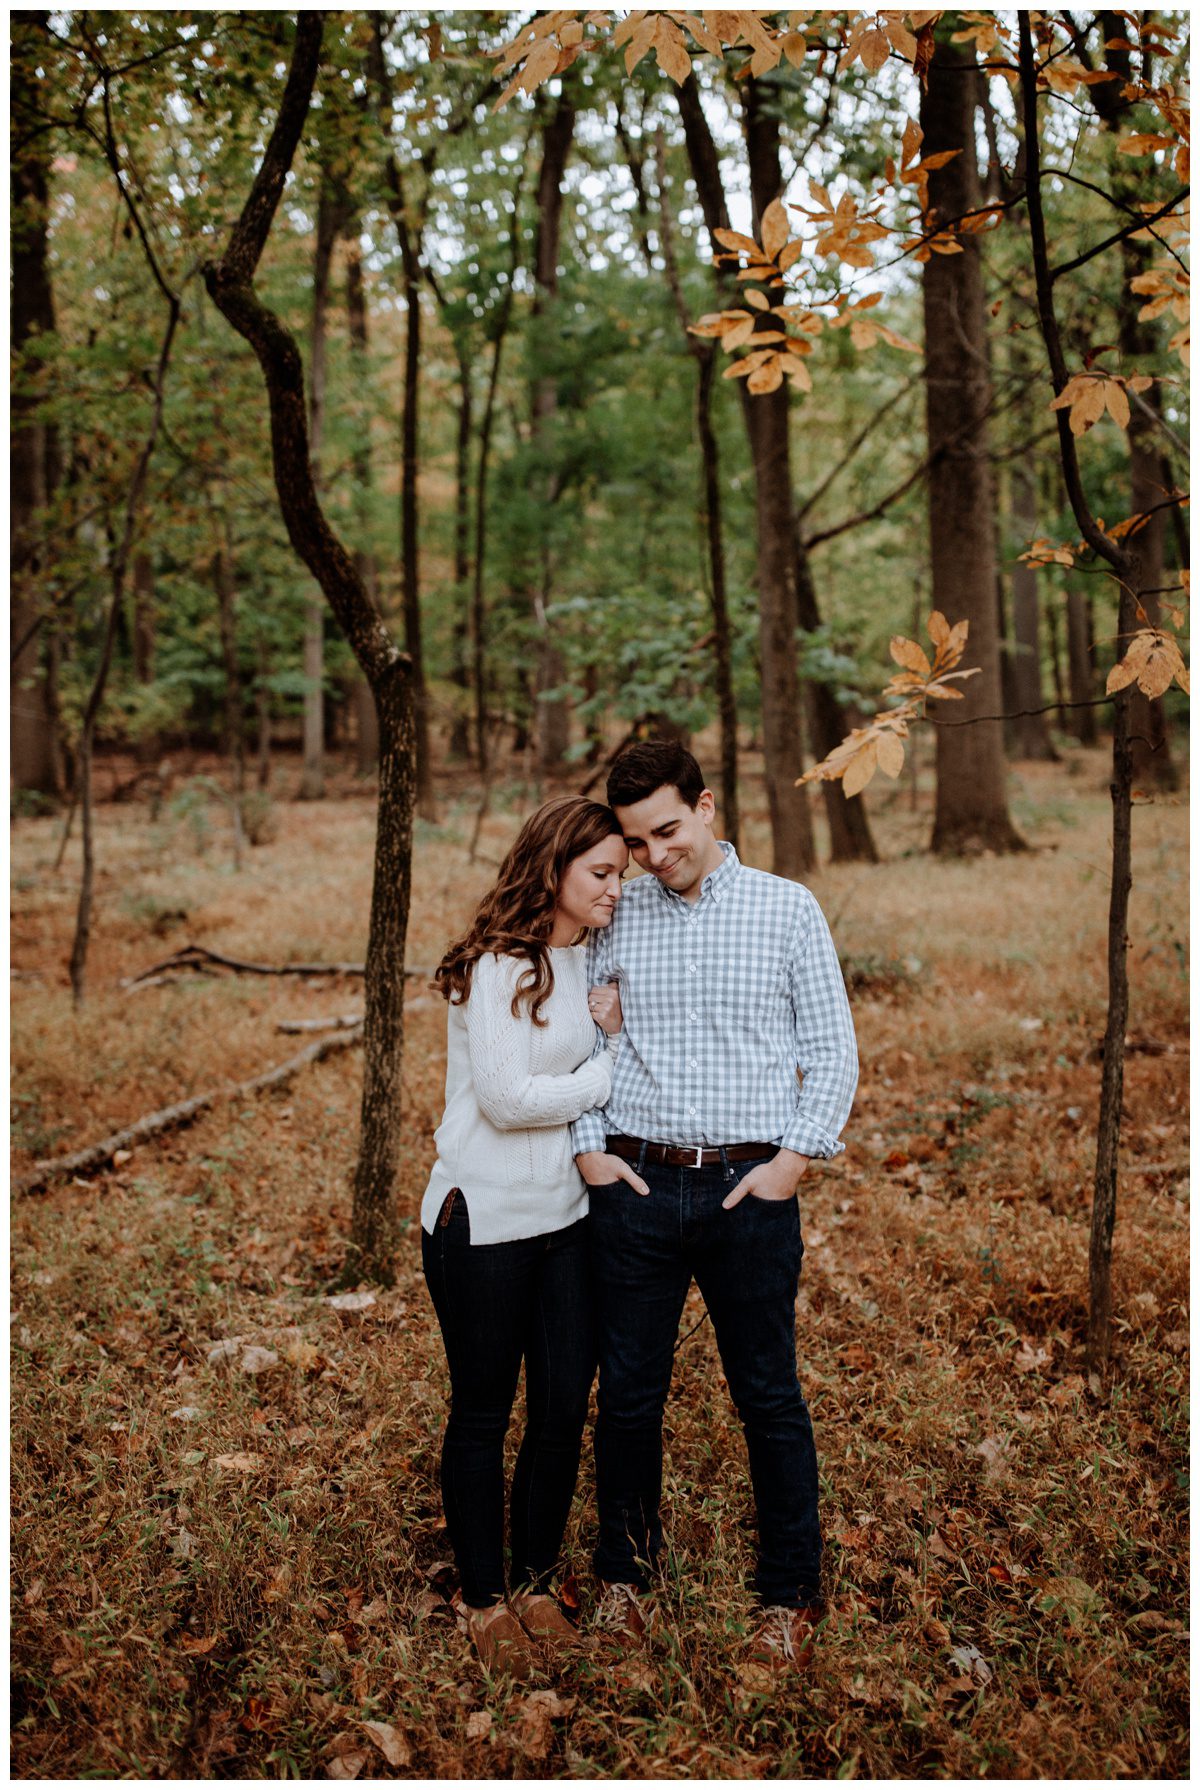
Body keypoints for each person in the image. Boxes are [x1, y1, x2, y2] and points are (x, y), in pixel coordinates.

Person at [572, 740, 858, 1667]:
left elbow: (833, 1048)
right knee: (627, 1398)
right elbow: (575, 1034)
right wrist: (589, 1152)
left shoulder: (786, 909)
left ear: (705, 807)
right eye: (635, 841)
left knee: (767, 1395)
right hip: (639, 1186)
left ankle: (788, 1590)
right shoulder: (618, 912)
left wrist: (791, 1165)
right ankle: (624, 1576)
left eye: (666, 831)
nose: (655, 857)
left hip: (749, 1191)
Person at [422, 795, 647, 1680]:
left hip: (568, 1224)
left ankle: (535, 1581)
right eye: (600, 874)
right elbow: (507, 1101)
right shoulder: (497, 967)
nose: (615, 890)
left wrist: (611, 1056)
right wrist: (606, 1068)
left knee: (559, 1411)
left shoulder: (593, 957)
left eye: (620, 875)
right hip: (479, 1222)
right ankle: (481, 1599)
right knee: (484, 1411)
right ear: (552, 869)